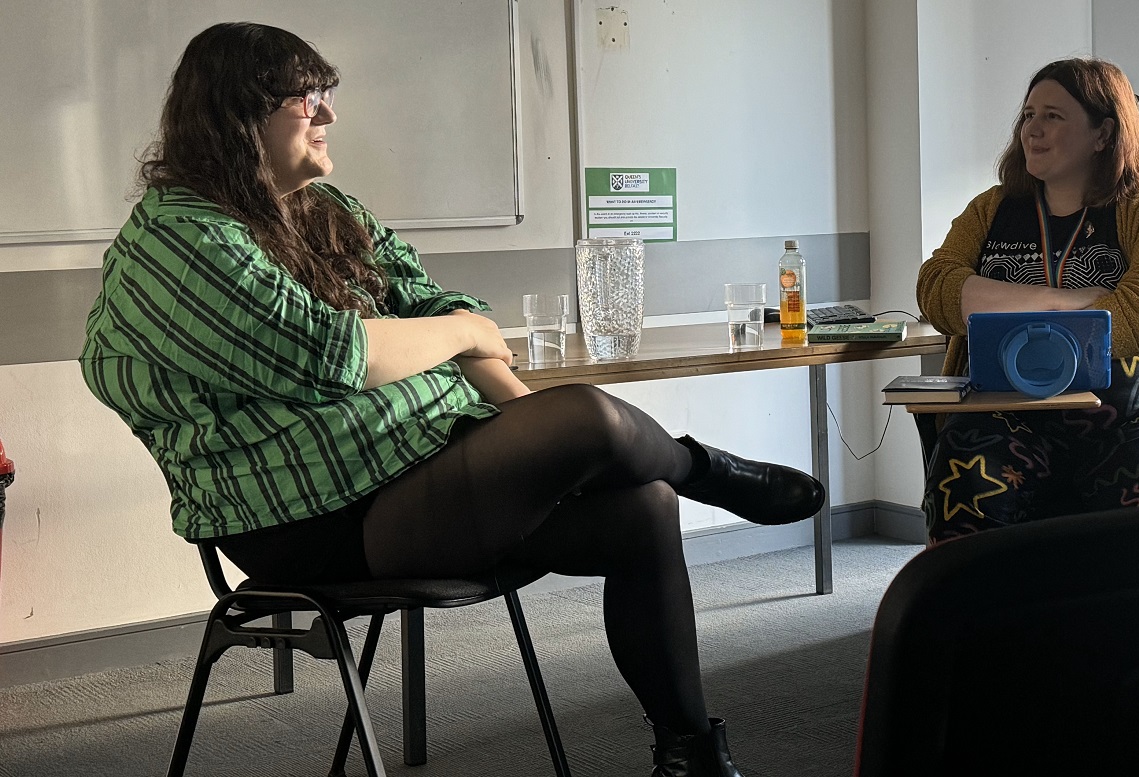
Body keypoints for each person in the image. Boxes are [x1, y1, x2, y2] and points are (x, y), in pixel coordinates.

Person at [78, 22, 820, 777]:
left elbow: (447, 318)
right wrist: (471, 335)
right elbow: (336, 355)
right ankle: (709, 471)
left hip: (416, 470)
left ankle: (690, 755)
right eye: (308, 98)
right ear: (239, 116)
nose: (328, 114)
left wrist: (527, 418)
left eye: (326, 95)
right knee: (587, 415)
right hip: (312, 522)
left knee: (642, 505)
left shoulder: (324, 210)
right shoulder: (179, 240)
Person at [916, 58, 1139, 544]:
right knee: (965, 487)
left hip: (1134, 414)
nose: (1033, 130)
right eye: (1028, 115)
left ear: (1103, 133)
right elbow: (936, 289)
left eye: (1053, 116)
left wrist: (992, 300)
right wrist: (1062, 299)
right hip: (1008, 413)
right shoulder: (991, 209)